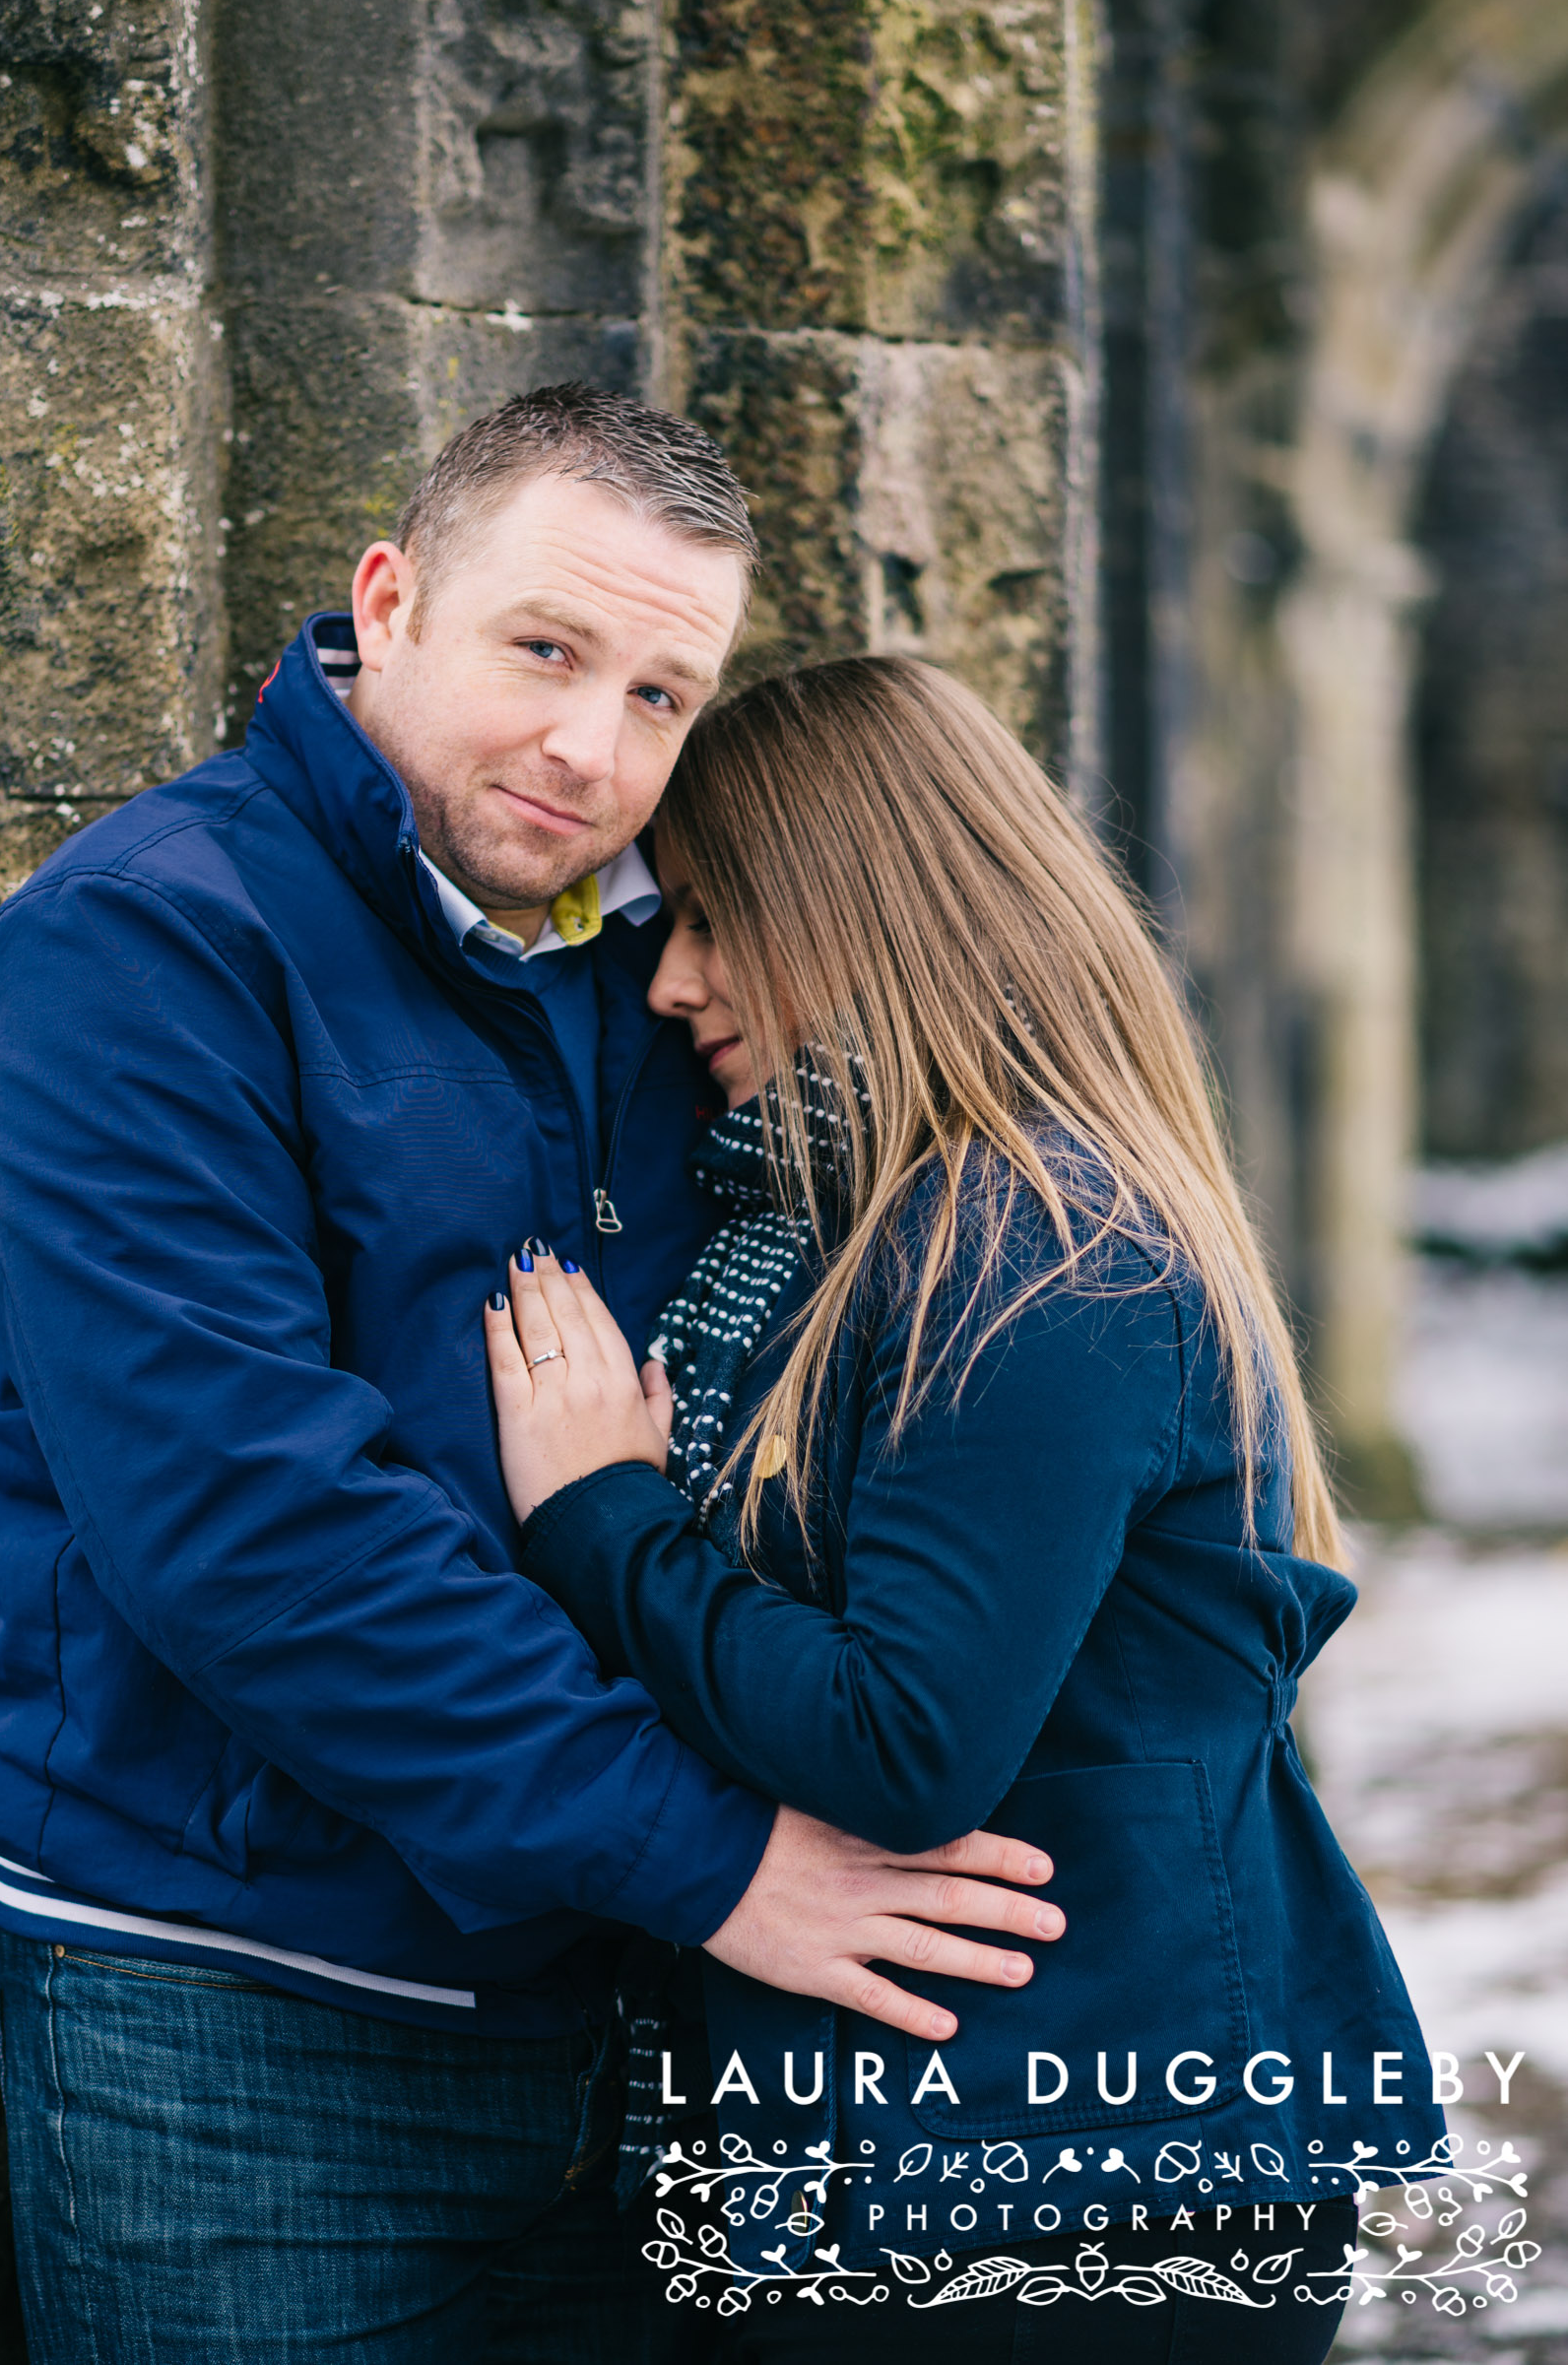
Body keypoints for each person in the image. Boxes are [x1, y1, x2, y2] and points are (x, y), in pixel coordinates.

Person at [0, 390, 1062, 2364]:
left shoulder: (670, 956)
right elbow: (246, 1523)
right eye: (544, 649)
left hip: (644, 2006)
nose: (588, 746)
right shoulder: (148, 942)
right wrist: (706, 1852)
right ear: (388, 599)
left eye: (656, 694)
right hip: (245, 2008)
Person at [483, 654, 1446, 2362]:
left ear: (859, 906)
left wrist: (604, 1513)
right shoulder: (875, 1228)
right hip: (955, 2144)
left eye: (707, 917)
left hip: (1079, 2182)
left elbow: (900, 1742)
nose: (667, 982)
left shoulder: (1029, 1249)